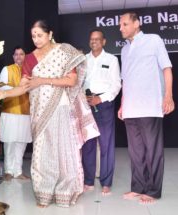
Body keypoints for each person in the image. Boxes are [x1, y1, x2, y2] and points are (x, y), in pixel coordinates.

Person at [0, 20, 99, 207]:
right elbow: (24, 87)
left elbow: (71, 80)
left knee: (63, 151)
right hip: (39, 112)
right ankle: (44, 192)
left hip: (61, 108)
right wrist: (4, 93)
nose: (36, 39)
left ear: (49, 34)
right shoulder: (30, 59)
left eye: (40, 35)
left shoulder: (64, 51)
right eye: (33, 36)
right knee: (42, 152)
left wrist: (41, 80)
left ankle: (65, 191)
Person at [118, 12, 175, 204]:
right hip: (130, 108)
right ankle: (138, 187)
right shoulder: (125, 50)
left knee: (153, 151)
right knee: (135, 152)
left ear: (137, 23)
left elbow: (166, 68)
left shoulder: (154, 40)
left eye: (125, 24)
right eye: (120, 25)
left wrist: (168, 96)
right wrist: (122, 104)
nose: (121, 28)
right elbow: (125, 79)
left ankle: (153, 190)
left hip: (150, 105)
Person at [82, 29, 121, 195]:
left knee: (106, 144)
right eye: (92, 39)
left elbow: (116, 85)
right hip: (86, 105)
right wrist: (83, 98)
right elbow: (79, 83)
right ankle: (88, 181)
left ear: (104, 41)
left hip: (104, 105)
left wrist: (101, 98)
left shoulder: (111, 60)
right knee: (88, 145)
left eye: (97, 39)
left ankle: (106, 182)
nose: (94, 42)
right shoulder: (83, 60)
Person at [0, 46, 32, 181]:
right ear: (13, 57)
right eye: (16, 54)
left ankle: (18, 171)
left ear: (25, 56)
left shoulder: (30, 71)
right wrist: (19, 89)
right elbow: (2, 87)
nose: (19, 56)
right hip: (10, 110)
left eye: (21, 54)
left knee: (21, 142)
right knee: (9, 142)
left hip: (25, 111)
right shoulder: (7, 69)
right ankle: (8, 170)